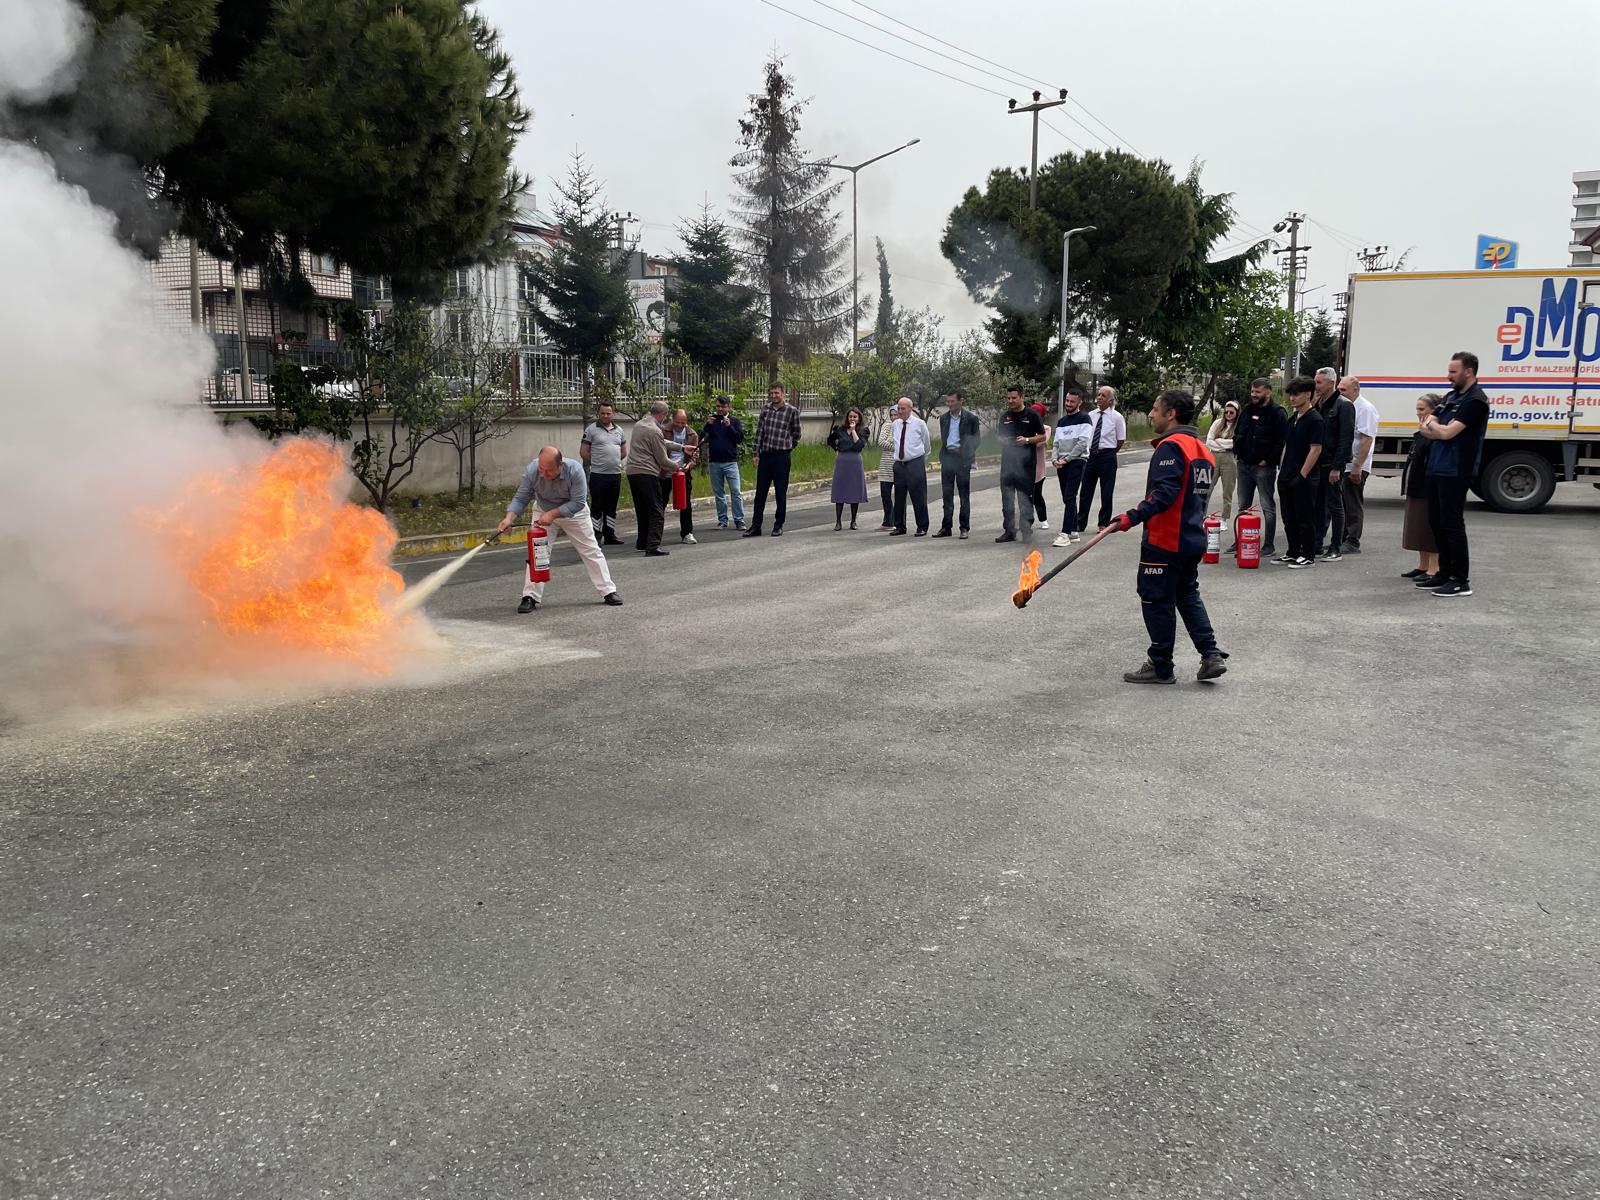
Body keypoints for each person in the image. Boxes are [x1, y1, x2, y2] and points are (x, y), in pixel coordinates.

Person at [1109, 390, 1227, 685]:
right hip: (1191, 537)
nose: (1150, 414)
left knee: (1156, 598)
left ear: (1171, 413)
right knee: (1186, 594)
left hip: (1166, 540)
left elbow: (1165, 494)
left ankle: (1161, 665)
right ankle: (1210, 654)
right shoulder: (1200, 448)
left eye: (1155, 408)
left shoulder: (1171, 447)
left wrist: (1130, 517)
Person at [497, 446, 622, 611]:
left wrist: (553, 514)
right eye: (541, 469)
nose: (543, 474)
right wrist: (508, 518)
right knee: (537, 553)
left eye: (548, 471)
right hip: (543, 510)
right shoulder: (532, 470)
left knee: (591, 550)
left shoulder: (575, 470)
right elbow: (521, 497)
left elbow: (578, 502)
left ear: (560, 466)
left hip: (574, 513)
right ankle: (530, 596)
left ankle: (608, 591)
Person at [1416, 350, 1490, 597]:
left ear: (1469, 372)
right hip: (1437, 466)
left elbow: (1447, 433)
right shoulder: (1450, 397)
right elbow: (1425, 426)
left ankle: (1460, 580)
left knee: (1452, 524)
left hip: (1457, 470)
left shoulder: (1475, 401)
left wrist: (1437, 428)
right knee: (1436, 522)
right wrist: (1438, 428)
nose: (1448, 376)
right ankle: (1444, 573)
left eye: (1453, 372)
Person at [1231, 377, 1287, 556]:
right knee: (1243, 506)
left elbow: (1282, 441)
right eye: (1252, 391)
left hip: (1264, 468)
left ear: (1268, 392)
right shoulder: (1248, 410)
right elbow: (1239, 432)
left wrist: (1268, 460)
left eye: (1258, 392)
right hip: (1243, 465)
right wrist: (1237, 452)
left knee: (1267, 506)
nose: (1254, 395)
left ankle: (1268, 545)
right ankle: (1239, 541)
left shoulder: (1278, 412)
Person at [1277, 376, 1325, 569]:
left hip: (1304, 477)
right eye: (1291, 395)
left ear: (1308, 394)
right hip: (1287, 474)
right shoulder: (1293, 418)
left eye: (1296, 394)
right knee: (1289, 516)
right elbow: (1287, 446)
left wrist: (1302, 475)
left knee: (1304, 516)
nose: (1292, 398)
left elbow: (1316, 449)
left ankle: (1308, 554)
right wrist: (1282, 470)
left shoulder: (1315, 420)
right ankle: (1293, 551)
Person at [745, 383, 802, 538]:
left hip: (782, 456)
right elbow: (759, 432)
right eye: (771, 393)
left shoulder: (791, 411)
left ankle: (778, 525)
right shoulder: (766, 409)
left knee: (780, 493)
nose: (774, 396)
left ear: (783, 393)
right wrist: (756, 453)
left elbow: (797, 433)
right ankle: (756, 526)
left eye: (777, 393)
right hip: (766, 455)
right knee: (760, 493)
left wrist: (788, 446)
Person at [1312, 366, 1355, 560]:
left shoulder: (1343, 405)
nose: (1316, 385)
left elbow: (1345, 439)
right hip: (1319, 463)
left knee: (1335, 505)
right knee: (1319, 505)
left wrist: (1337, 467)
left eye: (1319, 382)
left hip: (1332, 464)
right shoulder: (1320, 404)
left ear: (1331, 383)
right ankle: (1316, 543)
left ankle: (1335, 546)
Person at [995, 384, 1046, 543]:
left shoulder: (1032, 415)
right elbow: (999, 437)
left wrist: (1027, 440)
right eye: (1008, 398)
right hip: (1008, 465)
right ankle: (1009, 531)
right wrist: (1003, 440)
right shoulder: (1005, 417)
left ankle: (1026, 531)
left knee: (1025, 498)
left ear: (1022, 397)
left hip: (1026, 465)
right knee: (1007, 498)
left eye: (1014, 398)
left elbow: (1042, 436)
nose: (1010, 401)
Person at [625, 400, 676, 557]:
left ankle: (642, 541)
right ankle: (653, 545)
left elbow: (660, 441)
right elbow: (662, 460)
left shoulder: (640, 424)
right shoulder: (654, 430)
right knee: (656, 510)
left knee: (642, 508)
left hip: (632, 472)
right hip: (647, 473)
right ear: (663, 414)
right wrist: (676, 466)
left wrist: (681, 447)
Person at [1401, 394, 1442, 584]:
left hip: (1427, 486)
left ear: (1434, 411)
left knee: (1428, 528)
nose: (1418, 413)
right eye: (1417, 409)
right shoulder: (1422, 431)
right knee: (1417, 526)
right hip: (1417, 485)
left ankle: (1435, 567)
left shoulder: (1434, 433)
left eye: (1422, 409)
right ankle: (1423, 565)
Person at [1338, 375, 1379, 553]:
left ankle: (1353, 540)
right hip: (1345, 464)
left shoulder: (1365, 409)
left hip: (1356, 465)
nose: (1340, 392)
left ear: (1355, 390)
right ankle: (1341, 538)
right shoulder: (1347, 407)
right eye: (1339, 389)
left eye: (1343, 390)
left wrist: (1357, 467)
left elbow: (1366, 439)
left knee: (1352, 502)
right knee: (1343, 503)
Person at [1078, 384, 1127, 533]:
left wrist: (1109, 452)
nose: (1099, 397)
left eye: (1103, 396)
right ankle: (1081, 523)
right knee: (1086, 491)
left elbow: (1120, 440)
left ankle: (1103, 523)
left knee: (1106, 491)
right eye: (1098, 394)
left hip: (1107, 456)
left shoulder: (1117, 417)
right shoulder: (1091, 415)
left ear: (1111, 400)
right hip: (1091, 456)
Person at [579, 401, 627, 546]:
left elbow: (624, 451)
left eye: (608, 413)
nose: (605, 416)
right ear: (598, 414)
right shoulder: (591, 430)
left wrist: (614, 461)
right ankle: (596, 535)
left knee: (611, 506)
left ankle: (610, 534)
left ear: (613, 414)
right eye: (603, 413)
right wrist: (597, 463)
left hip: (615, 475)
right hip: (598, 475)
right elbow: (583, 452)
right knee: (597, 506)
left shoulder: (619, 430)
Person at [1049, 387, 1092, 547]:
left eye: (1072, 401)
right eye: (1067, 401)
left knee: (1069, 496)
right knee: (1068, 498)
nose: (1068, 404)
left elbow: (1082, 443)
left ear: (1079, 402)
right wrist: (1054, 459)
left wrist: (1066, 459)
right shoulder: (1061, 422)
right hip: (1062, 463)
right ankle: (1073, 531)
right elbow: (1056, 443)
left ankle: (1065, 533)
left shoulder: (1085, 419)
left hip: (1076, 462)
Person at [935, 390, 980, 538]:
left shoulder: (971, 418)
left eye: (952, 401)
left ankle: (964, 527)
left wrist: (964, 450)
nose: (949, 404)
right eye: (947, 402)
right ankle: (946, 527)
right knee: (947, 495)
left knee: (963, 495)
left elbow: (976, 440)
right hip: (947, 458)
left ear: (961, 401)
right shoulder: (944, 418)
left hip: (962, 459)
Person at [699, 395, 745, 530]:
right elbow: (701, 437)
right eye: (718, 406)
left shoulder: (734, 421)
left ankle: (739, 520)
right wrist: (707, 425)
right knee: (719, 493)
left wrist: (729, 427)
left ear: (728, 407)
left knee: (736, 491)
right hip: (715, 462)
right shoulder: (712, 422)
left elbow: (739, 439)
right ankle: (722, 520)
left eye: (723, 406)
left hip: (731, 462)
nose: (720, 409)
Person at [888, 397, 932, 537]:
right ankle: (899, 525)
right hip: (899, 464)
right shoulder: (895, 425)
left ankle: (922, 526)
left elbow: (926, 445)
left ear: (910, 409)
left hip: (915, 463)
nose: (900, 411)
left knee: (918, 496)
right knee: (899, 497)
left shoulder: (919, 424)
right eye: (898, 408)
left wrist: (919, 460)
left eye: (903, 408)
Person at [827, 406, 869, 530]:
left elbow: (859, 446)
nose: (852, 418)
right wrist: (837, 448)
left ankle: (853, 521)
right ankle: (838, 522)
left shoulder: (864, 430)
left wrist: (853, 430)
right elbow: (830, 440)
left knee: (854, 490)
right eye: (850, 416)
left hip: (855, 461)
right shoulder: (840, 429)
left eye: (855, 417)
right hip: (842, 461)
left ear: (859, 418)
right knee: (840, 490)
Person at [663, 408, 700, 545]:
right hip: (665, 472)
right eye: (677, 422)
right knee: (661, 501)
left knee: (686, 503)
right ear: (672, 420)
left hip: (683, 473)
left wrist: (689, 465)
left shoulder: (692, 434)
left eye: (683, 423)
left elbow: (695, 456)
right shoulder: (663, 431)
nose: (679, 426)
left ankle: (687, 533)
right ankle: (655, 533)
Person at [1205, 400, 1240, 522]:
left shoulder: (1239, 425)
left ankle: (1224, 519)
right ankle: (1202, 515)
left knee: (1227, 491)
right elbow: (1209, 441)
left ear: (1236, 413)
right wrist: (1223, 443)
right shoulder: (1217, 423)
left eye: (1232, 412)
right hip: (1213, 456)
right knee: (1207, 488)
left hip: (1229, 458)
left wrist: (1219, 440)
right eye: (1226, 412)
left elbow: (1234, 444)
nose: (1229, 414)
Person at [875, 405, 897, 531]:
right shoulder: (887, 426)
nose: (894, 417)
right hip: (886, 465)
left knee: (899, 496)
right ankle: (887, 520)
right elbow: (881, 441)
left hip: (898, 464)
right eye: (892, 415)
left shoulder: (903, 426)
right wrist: (896, 446)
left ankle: (896, 521)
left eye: (896, 415)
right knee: (885, 495)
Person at [1030, 400, 1051, 530]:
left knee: (1037, 494)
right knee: (1024, 496)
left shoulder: (1046, 428)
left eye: (1037, 412)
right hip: (1024, 466)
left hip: (1039, 468)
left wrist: (1028, 440)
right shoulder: (1025, 426)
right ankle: (1026, 521)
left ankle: (1043, 519)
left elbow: (1040, 441)